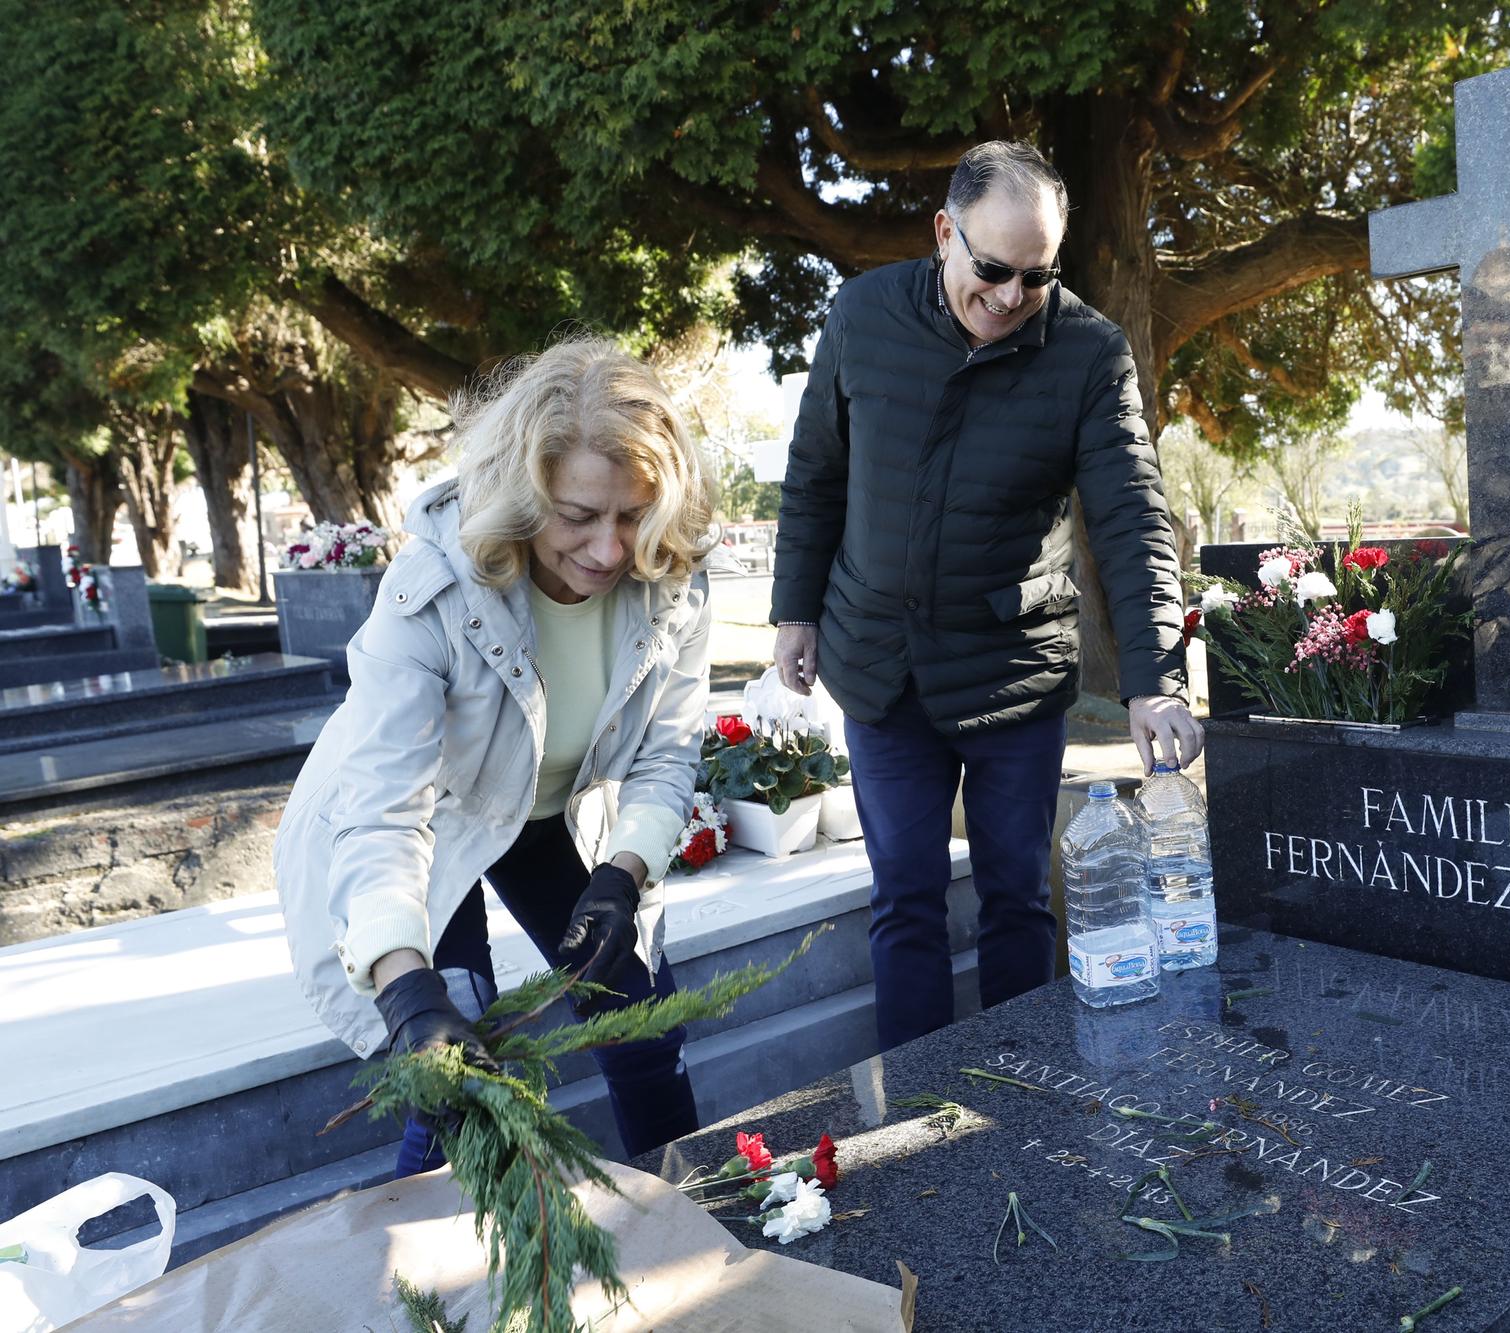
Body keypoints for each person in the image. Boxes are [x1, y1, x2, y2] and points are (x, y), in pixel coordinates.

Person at [771, 139, 1204, 1051]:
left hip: (1014, 677)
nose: (1011, 296)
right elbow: (814, 476)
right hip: (882, 671)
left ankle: (1020, 1098)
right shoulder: (862, 315)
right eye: (995, 269)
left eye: (1037, 276)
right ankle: (920, 1116)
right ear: (944, 233)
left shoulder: (1090, 352)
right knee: (906, 902)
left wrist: (1155, 676)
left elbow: (1130, 516)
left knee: (1018, 898)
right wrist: (795, 610)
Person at [275, 336, 716, 1175]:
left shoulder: (672, 574)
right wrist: (407, 988)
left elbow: (667, 754)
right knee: (460, 1074)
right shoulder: (434, 590)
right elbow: (383, 813)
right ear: (523, 493)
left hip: (536, 812)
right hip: (421, 826)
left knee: (641, 1019)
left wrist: (623, 872)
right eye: (579, 516)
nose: (610, 550)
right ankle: (429, 1296)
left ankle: (692, 1228)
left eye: (632, 514)